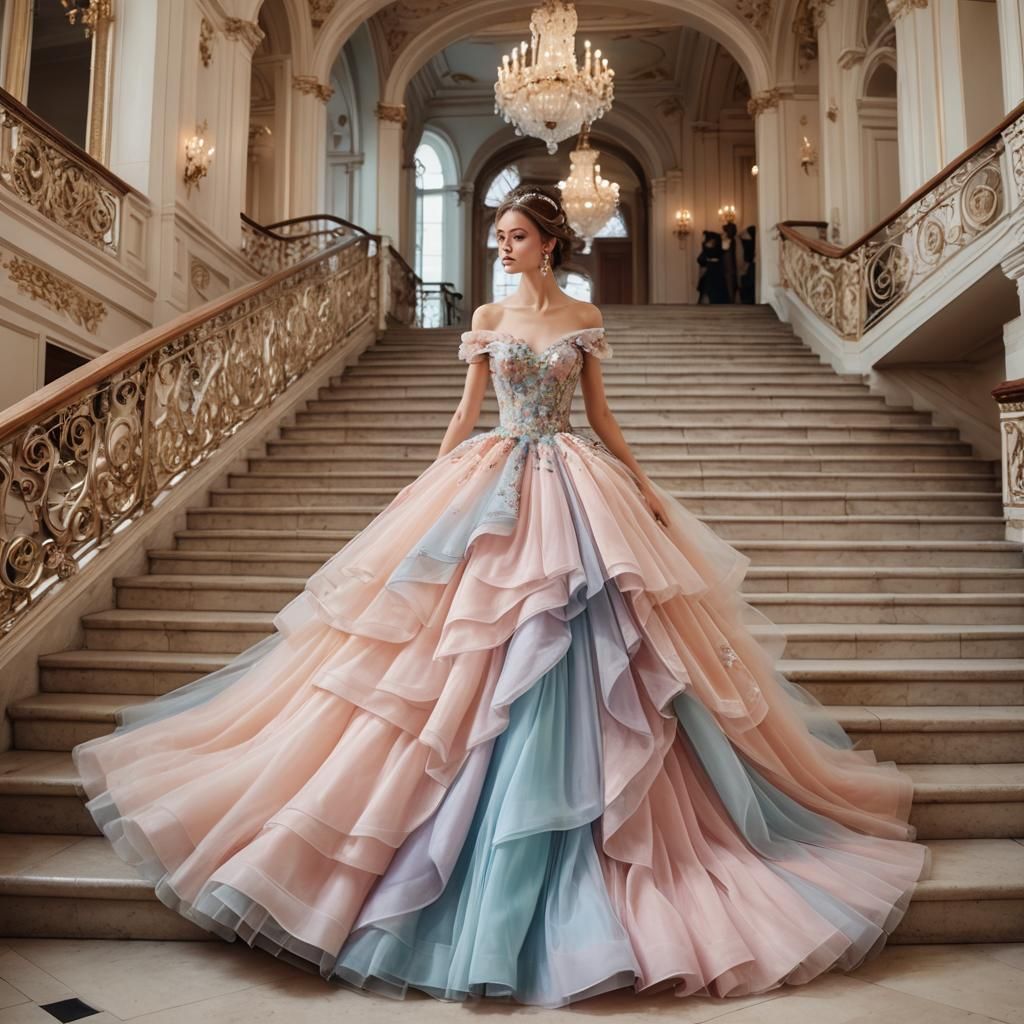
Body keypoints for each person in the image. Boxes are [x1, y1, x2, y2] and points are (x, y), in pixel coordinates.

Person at [71, 183, 930, 1010]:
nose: (501, 246)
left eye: (514, 235)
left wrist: (646, 486)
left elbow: (599, 414)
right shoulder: (486, 321)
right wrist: (428, 483)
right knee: (470, 650)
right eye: (497, 236)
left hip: (575, 481)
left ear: (550, 242)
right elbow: (468, 411)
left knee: (596, 643)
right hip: (495, 479)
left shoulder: (585, 319)